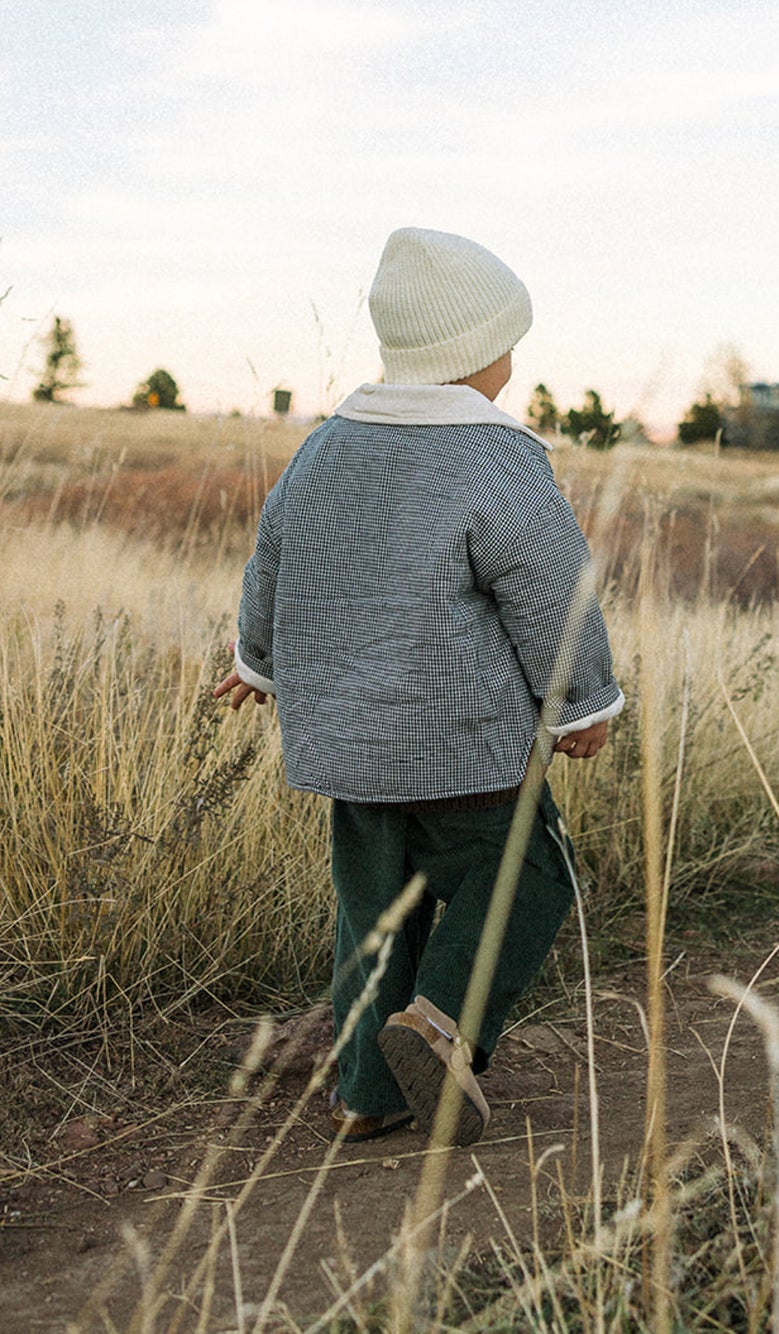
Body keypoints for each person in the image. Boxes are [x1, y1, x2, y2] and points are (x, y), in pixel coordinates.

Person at [214, 226, 622, 1143]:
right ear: (478, 353)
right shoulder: (496, 460)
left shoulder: (323, 449)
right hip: (462, 740)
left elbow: (272, 557)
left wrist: (255, 661)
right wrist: (582, 703)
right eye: (508, 343)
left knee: (375, 914)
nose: (513, 362)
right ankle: (440, 1024)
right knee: (529, 873)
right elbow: (551, 592)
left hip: (346, 748)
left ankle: (367, 1091)